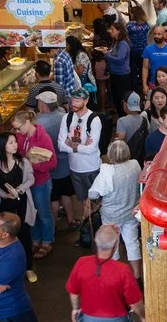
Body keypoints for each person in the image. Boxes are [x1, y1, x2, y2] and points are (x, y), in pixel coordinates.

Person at [86, 140, 144, 278]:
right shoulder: (135, 165)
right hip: (131, 212)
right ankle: (137, 277)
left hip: (111, 216)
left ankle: (115, 276)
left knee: (113, 244)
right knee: (132, 243)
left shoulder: (107, 171)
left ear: (110, 155)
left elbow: (93, 194)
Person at [0, 131, 37, 282]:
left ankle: (28, 268)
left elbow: (31, 179)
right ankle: (3, 269)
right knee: (2, 236)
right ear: (3, 146)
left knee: (24, 234)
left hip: (22, 202)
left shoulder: (23, 162)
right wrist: (4, 194)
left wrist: (19, 189)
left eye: (15, 142)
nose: (15, 145)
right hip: (3, 204)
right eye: (11, 142)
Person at [11, 109, 57, 261]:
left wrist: (32, 166)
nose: (17, 132)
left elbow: (53, 163)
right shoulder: (20, 136)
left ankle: (47, 242)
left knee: (44, 214)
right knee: (32, 213)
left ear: (27, 122)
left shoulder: (43, 138)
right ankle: (36, 240)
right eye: (15, 129)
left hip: (41, 182)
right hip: (26, 183)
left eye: (19, 128)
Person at [57, 89, 103, 229]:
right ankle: (89, 229)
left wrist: (71, 144)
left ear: (86, 101)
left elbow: (92, 149)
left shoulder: (94, 119)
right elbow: (60, 145)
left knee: (96, 201)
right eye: (72, 100)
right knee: (83, 201)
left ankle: (98, 227)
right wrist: (81, 146)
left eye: (77, 101)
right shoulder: (67, 118)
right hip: (75, 168)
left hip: (92, 168)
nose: (73, 104)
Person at [34, 92, 77, 229]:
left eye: (39, 102)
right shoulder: (63, 116)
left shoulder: (38, 122)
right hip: (66, 162)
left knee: (53, 197)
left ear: (44, 105)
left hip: (49, 166)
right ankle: (71, 221)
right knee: (66, 193)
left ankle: (53, 226)